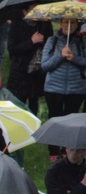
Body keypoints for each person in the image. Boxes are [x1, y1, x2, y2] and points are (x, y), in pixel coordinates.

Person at [41, 17, 86, 162]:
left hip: (76, 88)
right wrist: (60, 56)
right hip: (54, 88)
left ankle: (67, 150)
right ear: (61, 23)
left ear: (77, 24)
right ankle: (53, 150)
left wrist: (75, 58)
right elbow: (45, 65)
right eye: (66, 22)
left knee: (70, 120)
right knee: (55, 118)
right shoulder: (52, 41)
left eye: (72, 23)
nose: (69, 25)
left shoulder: (82, 41)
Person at [7, 3, 53, 116]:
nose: (37, 11)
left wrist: (43, 42)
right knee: (19, 102)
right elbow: (12, 49)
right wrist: (31, 42)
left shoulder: (44, 24)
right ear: (24, 11)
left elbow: (50, 44)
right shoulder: (16, 25)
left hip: (37, 72)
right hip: (20, 72)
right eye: (33, 9)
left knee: (34, 101)